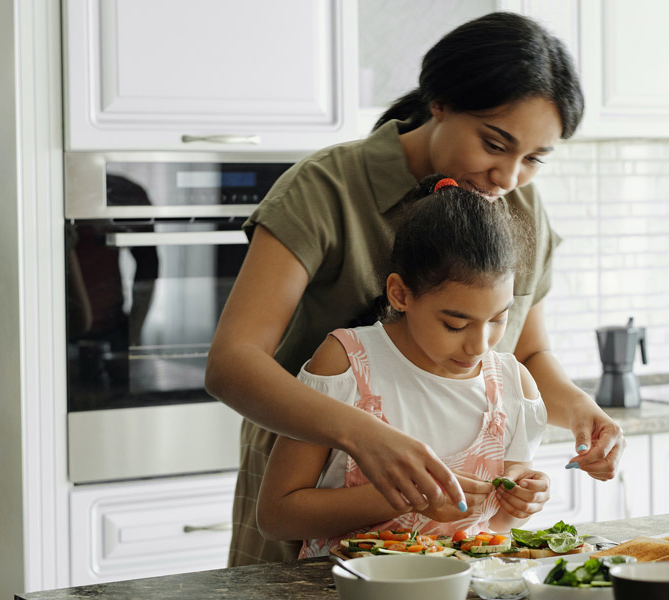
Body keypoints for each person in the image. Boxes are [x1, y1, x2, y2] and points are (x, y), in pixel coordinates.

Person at [205, 11, 626, 565]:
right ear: (440, 103)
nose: (509, 176)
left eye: (533, 159)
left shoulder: (518, 204)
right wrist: (364, 436)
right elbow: (232, 363)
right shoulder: (326, 188)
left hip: (447, 542)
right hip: (311, 487)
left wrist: (579, 411)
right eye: (495, 143)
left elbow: (525, 352)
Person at [257, 175, 547, 556]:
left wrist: (520, 504)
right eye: (455, 324)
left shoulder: (512, 386)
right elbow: (276, 516)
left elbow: (496, 527)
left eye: (498, 319)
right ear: (400, 293)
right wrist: (406, 498)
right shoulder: (347, 363)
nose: (480, 345)